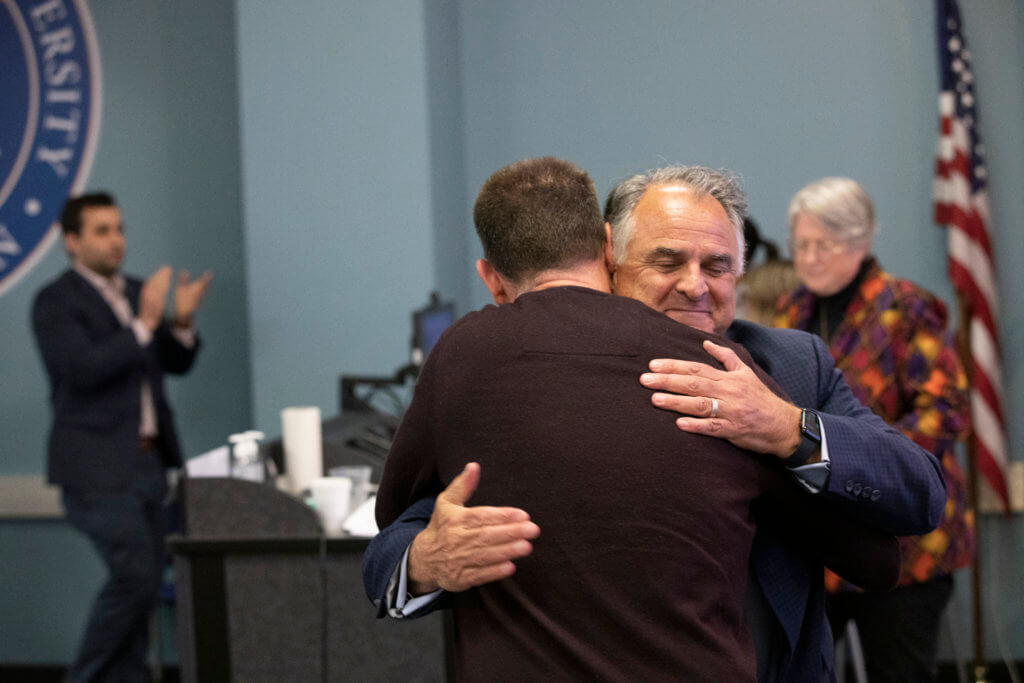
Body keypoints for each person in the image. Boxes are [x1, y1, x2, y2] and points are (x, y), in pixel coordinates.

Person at [364, 165, 947, 681]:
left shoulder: (791, 365)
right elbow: (397, 538)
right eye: (667, 261)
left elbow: (918, 492)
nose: (695, 285)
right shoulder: (533, 379)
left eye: (717, 265)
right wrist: (421, 563)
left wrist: (789, 429)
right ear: (610, 260)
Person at [775, 177, 972, 682]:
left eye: (825, 244)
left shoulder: (907, 307)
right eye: (802, 245)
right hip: (820, 541)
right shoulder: (788, 311)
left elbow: (945, 412)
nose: (811, 257)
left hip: (904, 547)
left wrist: (861, 462)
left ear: (860, 242)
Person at [31, 192, 211, 682]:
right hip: (96, 469)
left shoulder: (137, 292)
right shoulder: (55, 302)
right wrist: (146, 324)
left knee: (147, 588)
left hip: (150, 465)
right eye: (102, 231)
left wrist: (181, 322)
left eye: (120, 229)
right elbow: (81, 371)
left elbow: (174, 363)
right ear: (72, 241)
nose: (117, 241)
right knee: (136, 578)